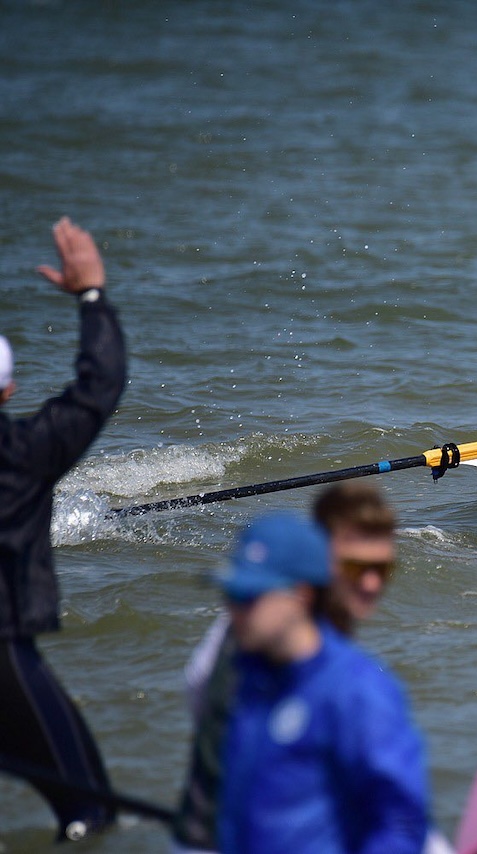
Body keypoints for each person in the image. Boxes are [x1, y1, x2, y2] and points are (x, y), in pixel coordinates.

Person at [172, 482, 446, 853]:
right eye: (355, 567)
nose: (371, 584)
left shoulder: (337, 667)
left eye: (383, 569)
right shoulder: (254, 636)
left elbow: (399, 816)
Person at [0, 217, 127, 841]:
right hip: (3, 652)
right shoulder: (20, 456)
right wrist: (92, 295)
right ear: (9, 390)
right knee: (91, 815)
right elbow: (98, 386)